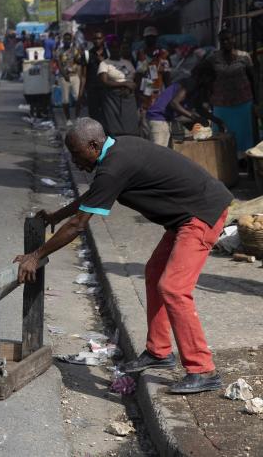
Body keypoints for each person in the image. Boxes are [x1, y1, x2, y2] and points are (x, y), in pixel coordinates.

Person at [15, 118, 232, 394]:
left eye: (77, 154)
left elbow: (78, 225)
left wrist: (36, 255)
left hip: (202, 215)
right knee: (155, 274)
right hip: (186, 217)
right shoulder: (116, 151)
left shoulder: (114, 166)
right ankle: (159, 352)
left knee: (174, 288)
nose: (75, 161)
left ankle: (202, 369)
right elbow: (94, 196)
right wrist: (56, 215)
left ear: (93, 146)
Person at [204, 29, 255, 155]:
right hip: (221, 105)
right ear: (220, 42)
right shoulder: (213, 59)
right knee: (222, 135)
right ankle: (225, 161)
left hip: (243, 103)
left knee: (245, 134)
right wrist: (208, 99)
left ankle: (245, 162)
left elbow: (253, 78)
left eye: (228, 39)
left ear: (234, 39)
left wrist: (257, 100)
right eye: (223, 40)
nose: (226, 42)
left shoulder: (245, 56)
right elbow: (208, 80)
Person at [145, 67, 225, 147]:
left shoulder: (197, 89)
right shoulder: (191, 83)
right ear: (205, 77)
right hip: (158, 117)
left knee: (167, 153)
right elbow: (174, 103)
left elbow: (199, 108)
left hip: (167, 119)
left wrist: (216, 120)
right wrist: (194, 117)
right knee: (159, 153)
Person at [97, 41, 139, 136]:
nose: (115, 49)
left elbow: (136, 79)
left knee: (130, 125)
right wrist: (124, 84)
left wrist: (130, 87)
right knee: (114, 126)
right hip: (113, 97)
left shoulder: (127, 62)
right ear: (109, 49)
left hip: (129, 96)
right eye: (112, 47)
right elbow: (105, 82)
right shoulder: (104, 63)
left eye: (117, 47)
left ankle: (129, 143)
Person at [53, 32, 85, 125]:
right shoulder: (59, 50)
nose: (67, 41)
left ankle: (77, 117)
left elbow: (79, 61)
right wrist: (64, 75)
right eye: (65, 39)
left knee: (77, 97)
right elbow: (59, 64)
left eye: (69, 39)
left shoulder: (75, 50)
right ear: (63, 40)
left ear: (71, 40)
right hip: (63, 77)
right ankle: (68, 119)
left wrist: (80, 54)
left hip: (74, 76)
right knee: (65, 100)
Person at [84, 31, 111, 123]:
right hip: (92, 89)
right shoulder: (87, 54)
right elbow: (83, 75)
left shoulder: (108, 53)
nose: (97, 41)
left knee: (107, 114)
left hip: (106, 88)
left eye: (99, 38)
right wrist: (81, 92)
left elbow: (112, 69)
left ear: (103, 39)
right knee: (93, 115)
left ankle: (107, 135)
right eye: (95, 38)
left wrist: (103, 61)